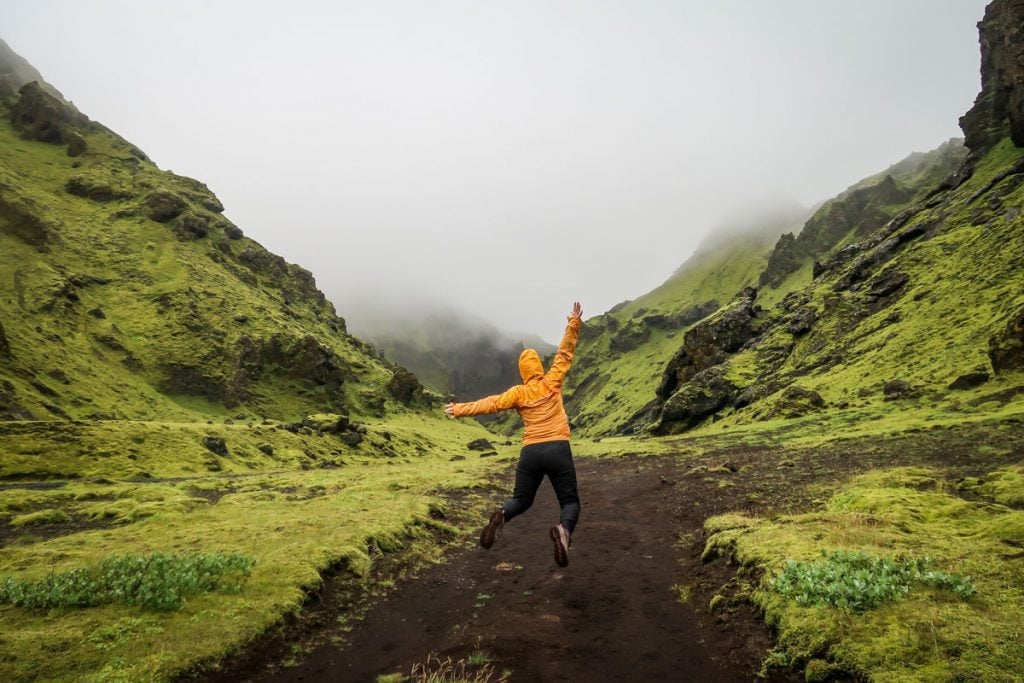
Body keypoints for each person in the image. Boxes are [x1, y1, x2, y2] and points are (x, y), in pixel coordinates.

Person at [445, 302, 583, 567]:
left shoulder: (518, 393)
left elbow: (491, 403)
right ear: (538, 368)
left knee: (521, 499)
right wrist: (573, 322)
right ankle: (564, 531)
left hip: (530, 451)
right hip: (557, 448)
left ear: (523, 371)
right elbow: (565, 353)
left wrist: (459, 409)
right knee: (569, 501)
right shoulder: (551, 380)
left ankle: (502, 515)